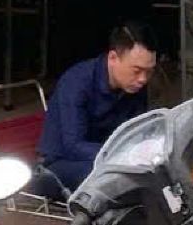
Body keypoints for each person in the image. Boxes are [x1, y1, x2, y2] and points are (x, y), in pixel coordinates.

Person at [38, 21, 157, 192]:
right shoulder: (77, 82)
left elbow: (136, 131)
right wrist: (123, 155)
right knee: (120, 180)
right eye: (136, 70)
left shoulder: (135, 86)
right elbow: (73, 146)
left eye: (149, 71)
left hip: (108, 156)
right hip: (60, 164)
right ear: (113, 58)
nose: (143, 79)